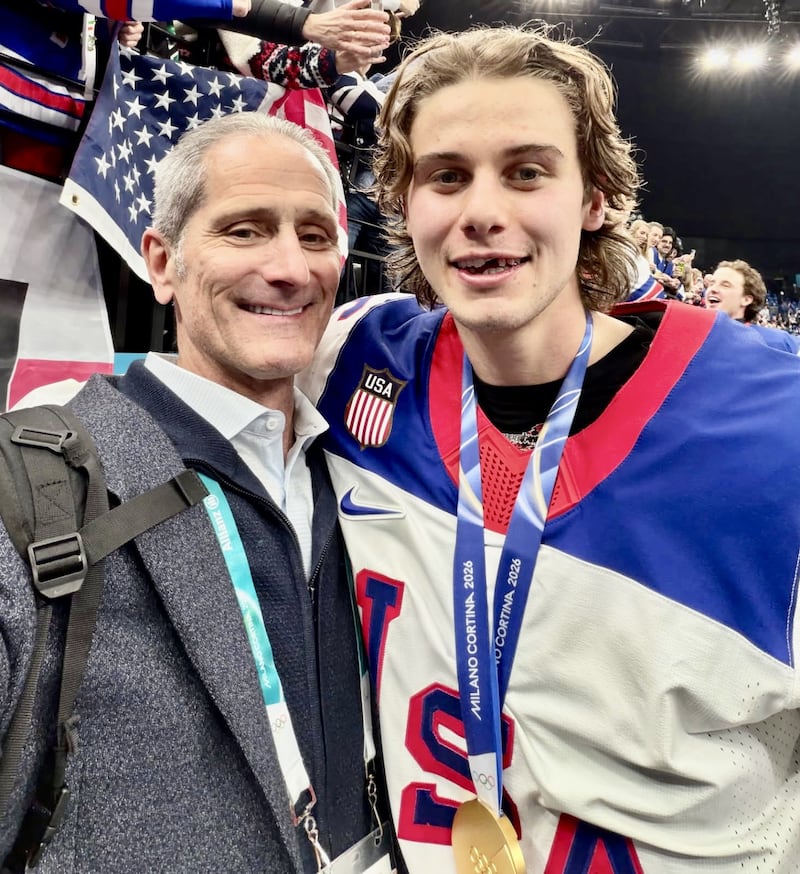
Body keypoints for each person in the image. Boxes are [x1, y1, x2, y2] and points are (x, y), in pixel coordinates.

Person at [299, 25, 800, 873]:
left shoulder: (777, 417)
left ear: (595, 197)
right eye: (446, 175)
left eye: (527, 171)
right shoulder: (351, 361)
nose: (483, 211)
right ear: (404, 200)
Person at [0, 113, 389, 873]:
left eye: (315, 237)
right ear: (163, 262)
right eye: (245, 230)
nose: (290, 268)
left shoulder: (367, 472)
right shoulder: (33, 483)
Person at [706, 259, 800, 353]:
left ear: (746, 299)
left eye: (725, 285)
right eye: (711, 284)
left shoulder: (777, 343)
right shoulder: (695, 337)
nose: (713, 289)